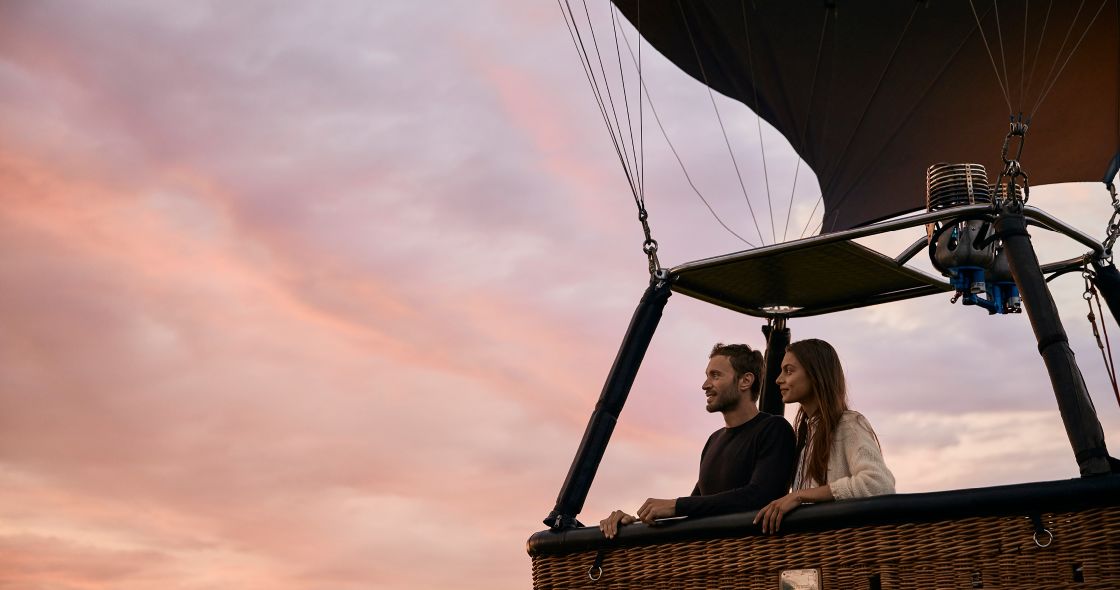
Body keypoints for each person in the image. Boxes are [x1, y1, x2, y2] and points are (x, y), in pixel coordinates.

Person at [600, 343, 796, 539]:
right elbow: (696, 508)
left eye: (715, 376)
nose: (705, 385)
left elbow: (760, 496)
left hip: (756, 552)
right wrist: (632, 523)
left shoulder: (774, 429)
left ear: (745, 381)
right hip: (714, 553)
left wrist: (677, 505)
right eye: (707, 376)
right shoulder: (714, 440)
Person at [754, 338, 895, 533]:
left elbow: (879, 484)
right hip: (815, 547)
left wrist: (799, 496)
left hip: (844, 547)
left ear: (815, 374)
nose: (778, 379)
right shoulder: (805, 436)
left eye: (789, 371)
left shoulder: (848, 424)